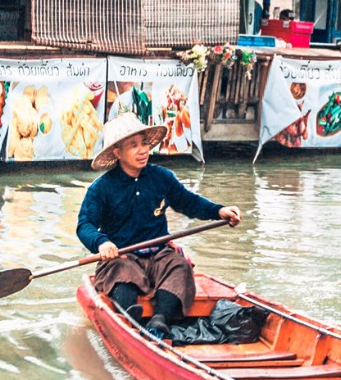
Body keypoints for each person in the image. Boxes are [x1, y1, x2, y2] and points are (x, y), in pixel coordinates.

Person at [76, 115, 241, 331]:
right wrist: (102, 243)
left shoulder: (161, 177)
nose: (143, 150)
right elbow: (84, 224)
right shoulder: (101, 188)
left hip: (159, 255)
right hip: (122, 256)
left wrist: (219, 211)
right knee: (122, 271)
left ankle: (160, 318)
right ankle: (128, 317)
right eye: (133, 145)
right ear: (117, 152)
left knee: (180, 266)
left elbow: (189, 202)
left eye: (144, 143)